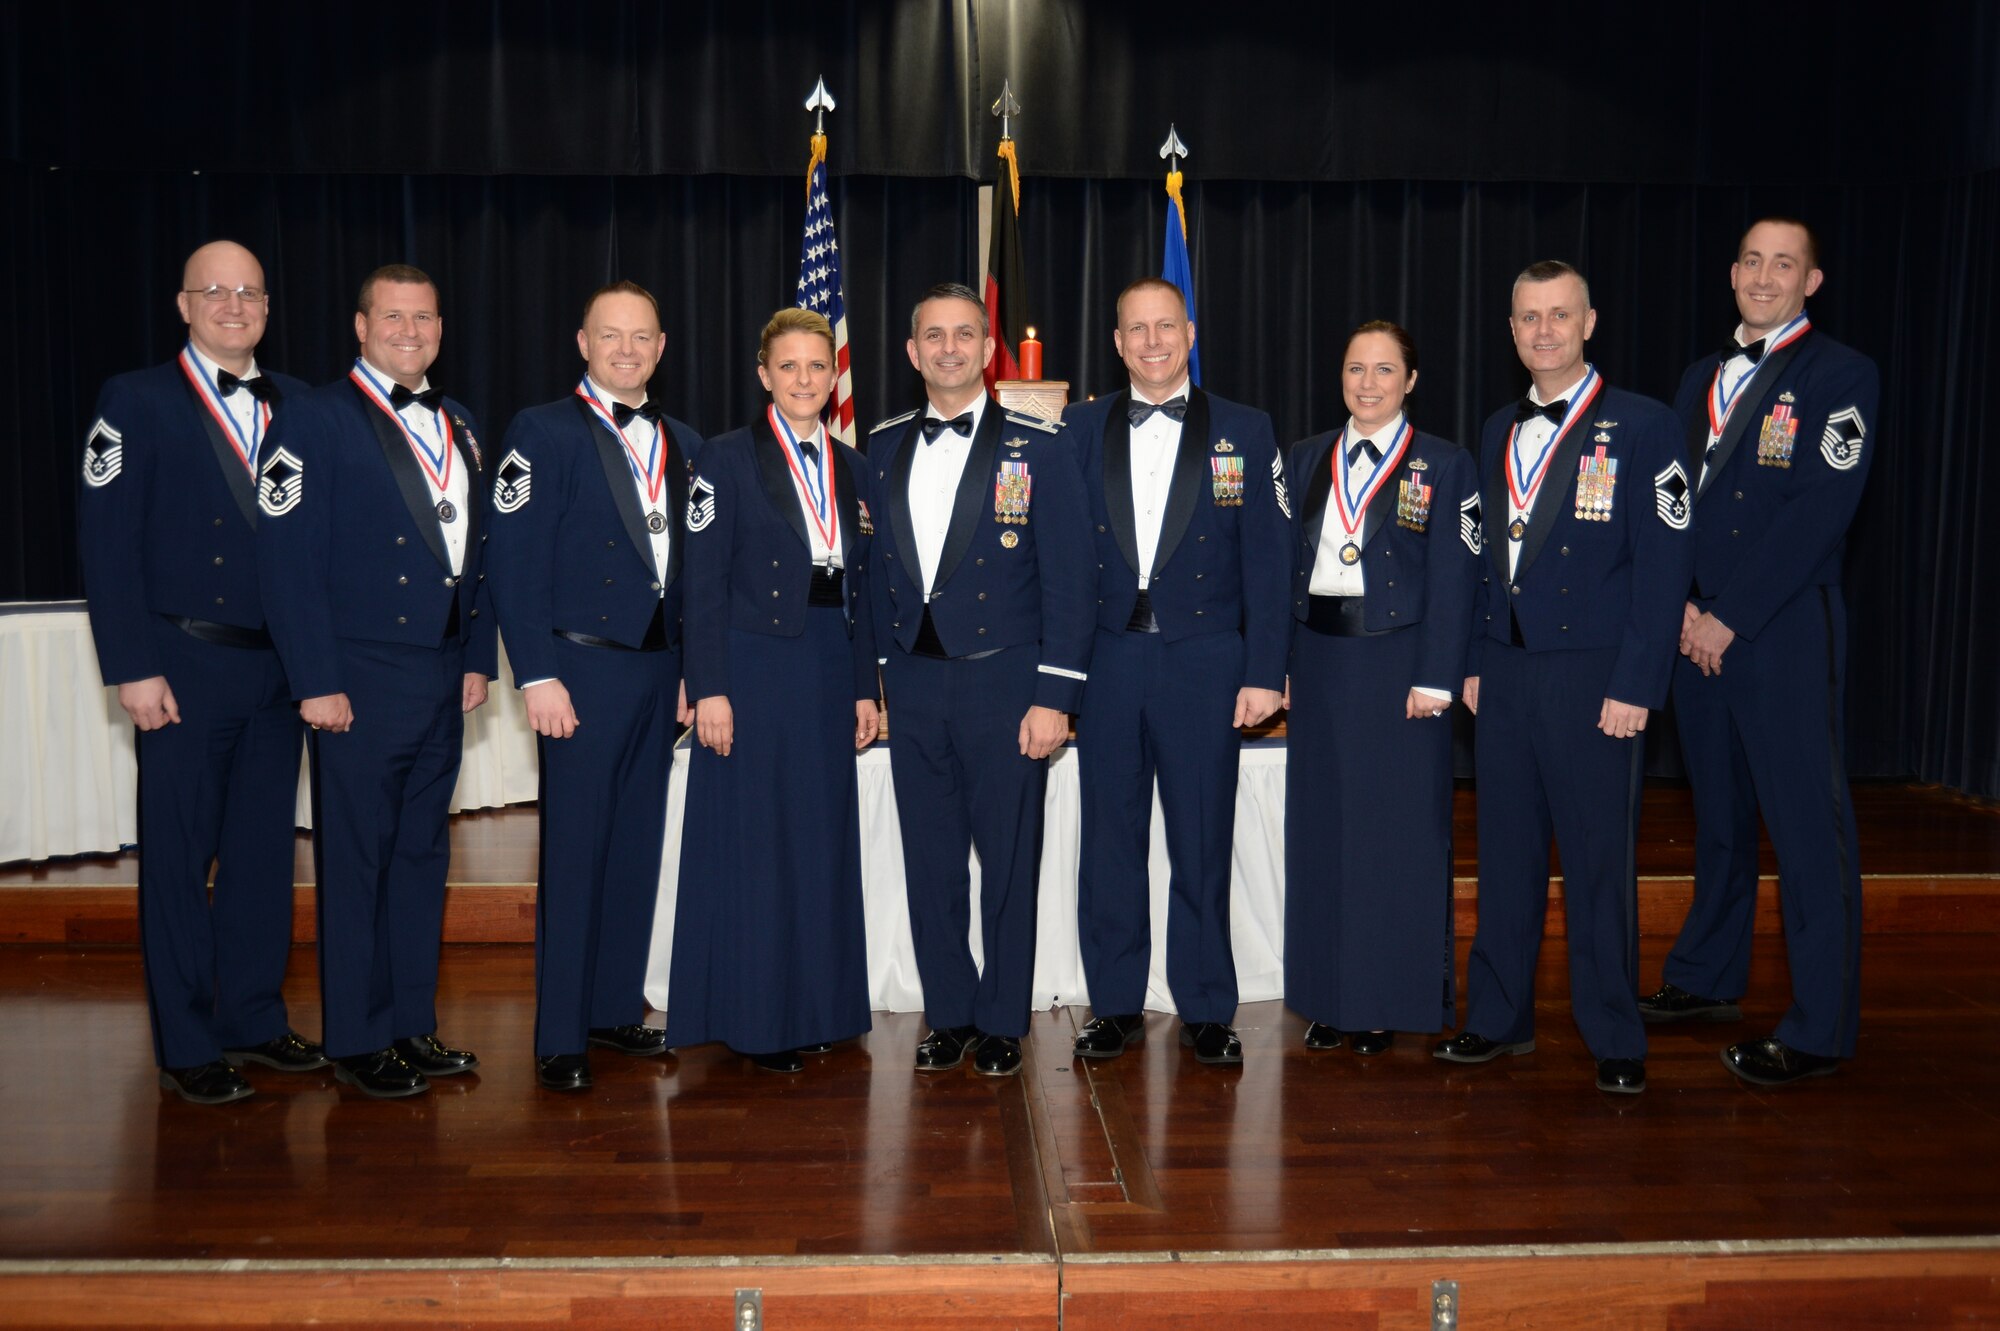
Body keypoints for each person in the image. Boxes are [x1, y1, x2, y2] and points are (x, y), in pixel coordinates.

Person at [1438, 260, 1691, 1095]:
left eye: (1558, 315)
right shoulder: (1495, 429)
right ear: (1511, 330)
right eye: (1528, 317)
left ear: (1589, 323)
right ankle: (1497, 1019)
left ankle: (1614, 1032)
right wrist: (1475, 661)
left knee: (1596, 862)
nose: (1543, 330)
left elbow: (1665, 565)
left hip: (1596, 678)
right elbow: (1484, 557)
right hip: (1505, 674)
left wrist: (1639, 682)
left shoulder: (1645, 425)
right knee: (1505, 854)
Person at [77, 240, 320, 1105]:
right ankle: (186, 1040)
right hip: (181, 664)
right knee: (180, 855)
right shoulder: (135, 400)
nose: (233, 305)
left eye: (249, 292)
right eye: (214, 291)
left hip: (277, 670)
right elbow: (107, 546)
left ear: (267, 307)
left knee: (262, 853)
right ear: (184, 305)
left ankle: (250, 1015)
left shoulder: (299, 402)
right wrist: (132, 667)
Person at [1639, 218, 1879, 1086]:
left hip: (1778, 630)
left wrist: (1728, 616)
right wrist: (1676, 604)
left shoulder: (1841, 374)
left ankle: (1819, 1027)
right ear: (1733, 272)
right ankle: (1707, 975)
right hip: (1694, 630)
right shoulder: (1698, 377)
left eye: (1785, 264)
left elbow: (1820, 511)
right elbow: (1670, 500)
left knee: (1808, 827)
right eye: (1752, 261)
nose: (1765, 276)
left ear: (1812, 281)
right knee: (1722, 818)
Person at [255, 264, 497, 1099]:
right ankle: (358, 1037)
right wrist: (315, 679)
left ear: (441, 328)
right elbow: (286, 562)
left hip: (441, 670)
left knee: (422, 853)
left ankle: (410, 1021)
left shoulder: (462, 421)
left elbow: (478, 554)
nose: (409, 331)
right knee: (358, 858)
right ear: (360, 326)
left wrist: (476, 655)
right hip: (358, 675)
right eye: (392, 317)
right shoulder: (313, 418)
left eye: (423, 317)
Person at [868, 282, 1094, 1078]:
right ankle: (950, 1013)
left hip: (1008, 685)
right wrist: (876, 678)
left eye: (965, 334)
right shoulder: (883, 446)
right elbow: (874, 574)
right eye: (934, 335)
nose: (950, 348)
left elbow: (1072, 582)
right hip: (915, 683)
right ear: (912, 351)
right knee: (930, 861)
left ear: (989, 348)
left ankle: (1001, 1018)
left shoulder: (1042, 447)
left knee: (1007, 861)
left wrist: (1056, 696)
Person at [1063, 277, 1289, 1068]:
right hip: (1109, 661)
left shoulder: (1246, 429)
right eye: (1137, 329)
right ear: (1117, 343)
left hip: (1206, 664)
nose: (1153, 341)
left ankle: (1206, 1005)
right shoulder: (1078, 427)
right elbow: (1061, 560)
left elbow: (1269, 561)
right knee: (1110, 842)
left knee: (1201, 838)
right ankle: (1115, 1004)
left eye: (1166, 326)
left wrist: (1265, 670)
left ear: (1190, 333)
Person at [486, 281, 701, 1092]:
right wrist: (537, 673)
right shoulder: (540, 431)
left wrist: (691, 671)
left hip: (658, 671)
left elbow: (693, 573)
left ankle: (613, 1008)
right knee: (576, 852)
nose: (627, 349)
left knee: (637, 846)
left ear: (662, 346)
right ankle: (560, 1032)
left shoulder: (685, 441)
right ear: (583, 343)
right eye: (611, 335)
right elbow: (513, 563)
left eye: (641, 336)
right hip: (578, 672)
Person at [665, 307, 879, 1074]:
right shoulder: (723, 458)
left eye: (817, 366)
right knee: (758, 845)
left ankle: (820, 1009)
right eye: (788, 366)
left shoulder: (855, 466)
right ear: (764, 374)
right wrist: (709, 686)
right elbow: (701, 581)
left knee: (820, 843)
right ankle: (758, 1020)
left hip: (828, 663)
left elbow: (864, 589)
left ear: (833, 374)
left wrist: (865, 688)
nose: (803, 379)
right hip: (752, 669)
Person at [1281, 321, 1478, 1056]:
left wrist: (1438, 676)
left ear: (1411, 380)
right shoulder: (1303, 458)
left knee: (1395, 837)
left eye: (1384, 370)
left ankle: (1386, 999)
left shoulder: (1444, 463)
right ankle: (1328, 997)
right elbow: (1278, 570)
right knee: (1324, 832)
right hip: (1320, 660)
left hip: (1401, 668)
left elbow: (1458, 575)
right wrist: (1279, 666)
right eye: (1356, 369)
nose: (1368, 384)